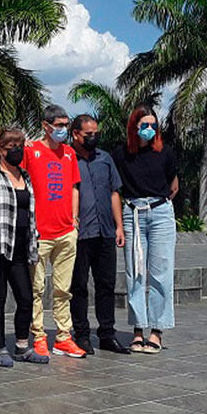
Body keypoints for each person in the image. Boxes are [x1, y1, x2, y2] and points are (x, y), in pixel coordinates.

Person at [0, 127, 48, 367]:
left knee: (26, 298)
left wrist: (34, 243)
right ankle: (0, 348)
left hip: (21, 247)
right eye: (10, 146)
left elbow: (31, 212)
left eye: (19, 145)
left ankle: (22, 347)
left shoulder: (25, 176)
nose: (16, 150)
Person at [112, 104, 178, 354]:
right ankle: (138, 330)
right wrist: (119, 224)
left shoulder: (165, 153)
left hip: (160, 212)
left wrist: (158, 205)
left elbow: (173, 186)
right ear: (134, 127)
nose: (149, 129)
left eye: (153, 125)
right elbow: (115, 191)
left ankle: (157, 331)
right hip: (133, 214)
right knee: (135, 273)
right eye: (144, 125)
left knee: (161, 272)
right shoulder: (120, 154)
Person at [22, 104, 86, 359]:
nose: (63, 130)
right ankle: (38, 336)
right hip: (39, 233)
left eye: (65, 125)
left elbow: (74, 187)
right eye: (58, 125)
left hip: (65, 232)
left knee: (63, 289)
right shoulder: (31, 150)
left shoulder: (69, 153)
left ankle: (63, 337)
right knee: (36, 289)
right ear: (46, 126)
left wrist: (74, 221)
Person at [69, 115, 130, 355]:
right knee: (79, 286)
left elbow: (115, 193)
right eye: (88, 134)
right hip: (80, 233)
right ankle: (82, 335)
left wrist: (119, 226)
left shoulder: (105, 159)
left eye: (96, 133)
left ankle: (107, 334)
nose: (93, 137)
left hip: (105, 231)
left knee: (106, 285)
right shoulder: (66, 158)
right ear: (76, 134)